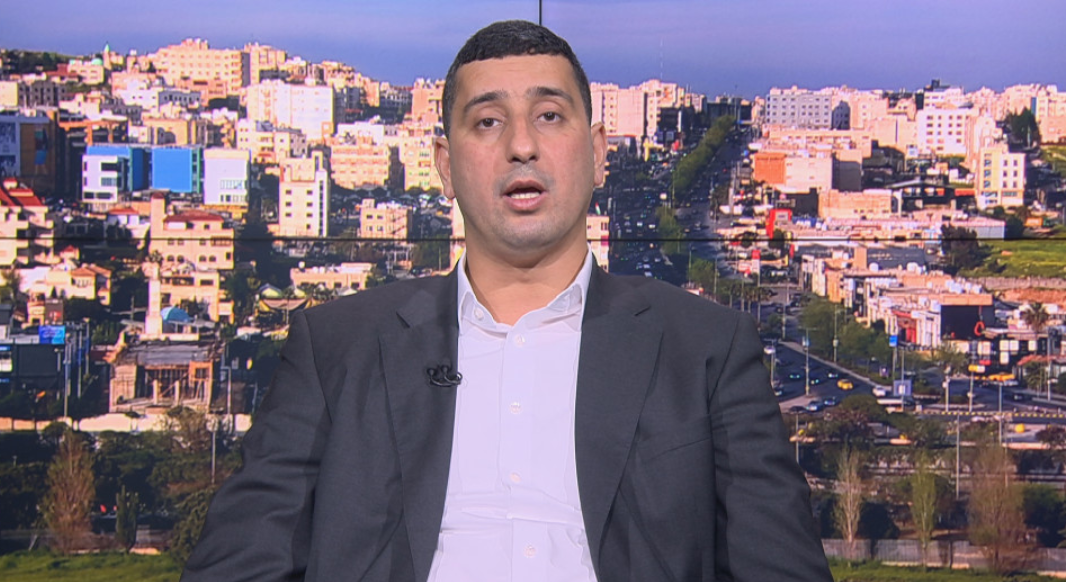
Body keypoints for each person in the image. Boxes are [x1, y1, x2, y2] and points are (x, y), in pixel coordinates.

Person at [182, 20, 832, 582]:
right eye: (488, 122)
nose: (521, 145)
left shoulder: (706, 349)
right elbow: (239, 563)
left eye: (549, 116)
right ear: (444, 164)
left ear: (598, 154)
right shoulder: (336, 348)